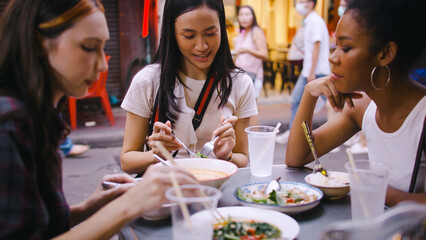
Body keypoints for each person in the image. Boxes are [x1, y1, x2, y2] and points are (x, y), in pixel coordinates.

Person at [0, 0, 197, 239]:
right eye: (88, 47)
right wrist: (128, 206)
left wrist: (87, 208)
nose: (103, 65)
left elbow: (35, 224)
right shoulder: (9, 123)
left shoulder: (40, 113)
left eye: (102, 48)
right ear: (40, 43)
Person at [285, 0, 426, 206]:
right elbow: (297, 157)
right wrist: (309, 94)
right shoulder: (362, 108)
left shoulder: (421, 115)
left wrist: (376, 188)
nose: (333, 58)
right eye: (335, 46)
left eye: (346, 47)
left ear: (385, 54)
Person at [120, 0, 258, 174]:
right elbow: (127, 160)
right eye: (189, 36)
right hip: (165, 193)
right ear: (172, 34)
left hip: (215, 191)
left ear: (222, 29)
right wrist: (157, 154)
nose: (201, 46)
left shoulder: (240, 83)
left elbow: (242, 158)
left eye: (210, 33)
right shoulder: (147, 81)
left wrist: (227, 156)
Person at [276, 0, 330, 144]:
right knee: (298, 100)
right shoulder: (308, 21)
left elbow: (316, 47)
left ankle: (303, 135)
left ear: (311, 3)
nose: (298, 4)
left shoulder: (315, 21)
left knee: (330, 105)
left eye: (302, 1)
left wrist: (311, 72)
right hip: (311, 70)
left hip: (317, 71)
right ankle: (295, 133)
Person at [233, 5, 268, 99]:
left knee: (250, 109)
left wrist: (248, 50)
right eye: (241, 15)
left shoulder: (256, 31)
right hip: (240, 73)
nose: (244, 17)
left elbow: (264, 54)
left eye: (247, 14)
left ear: (253, 16)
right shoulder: (242, 32)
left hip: (252, 74)